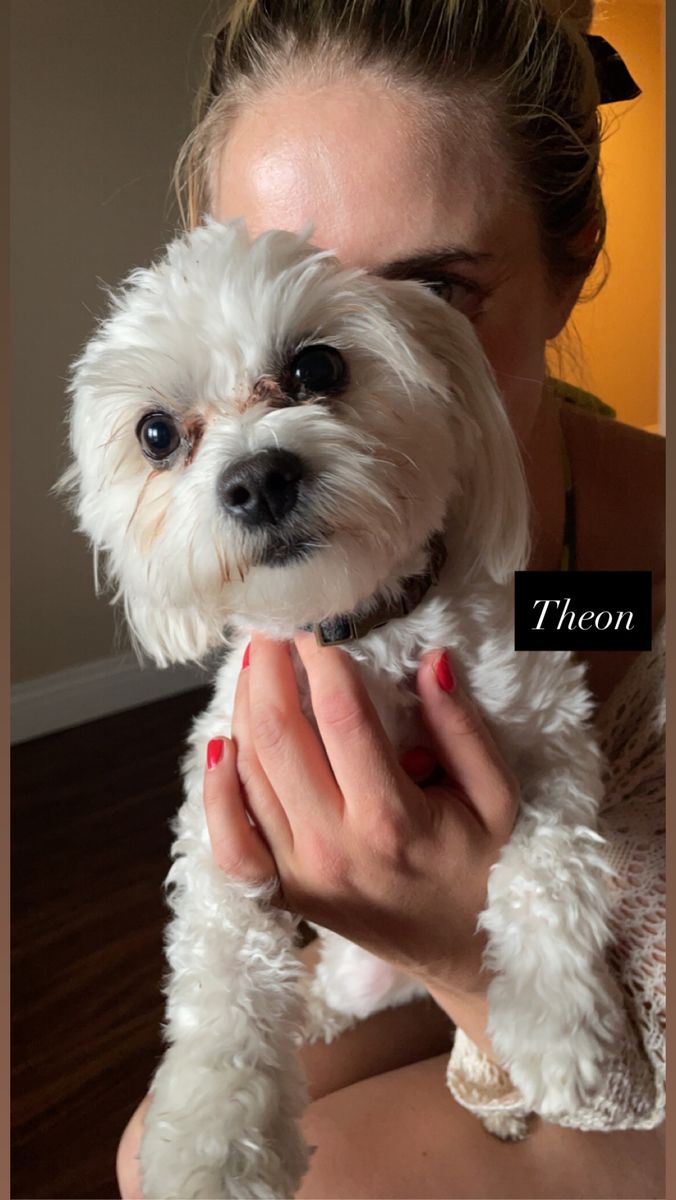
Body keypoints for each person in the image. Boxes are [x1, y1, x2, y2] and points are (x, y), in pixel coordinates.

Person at [117, 1, 665, 1195]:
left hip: (590, 1021)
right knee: (153, 1155)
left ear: (571, 263)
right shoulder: (306, 577)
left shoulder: (637, 562)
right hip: (396, 961)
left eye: (432, 291)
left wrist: (464, 955)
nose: (375, 361)